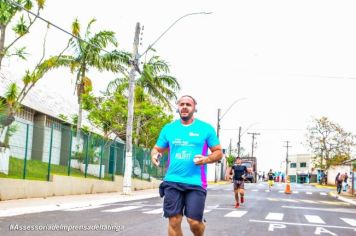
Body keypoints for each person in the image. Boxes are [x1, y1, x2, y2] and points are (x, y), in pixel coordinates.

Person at [151, 95, 223, 236]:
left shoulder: (205, 128)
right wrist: (155, 155)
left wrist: (206, 159)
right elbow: (157, 149)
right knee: (174, 221)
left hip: (196, 182)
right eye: (181, 104)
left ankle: (200, 227)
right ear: (178, 107)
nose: (184, 106)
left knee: (194, 223)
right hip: (172, 180)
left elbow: (218, 152)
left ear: (194, 108)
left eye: (188, 104)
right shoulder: (169, 128)